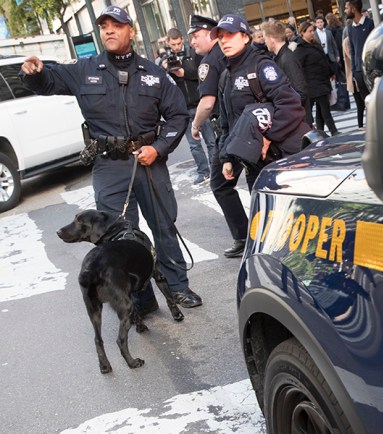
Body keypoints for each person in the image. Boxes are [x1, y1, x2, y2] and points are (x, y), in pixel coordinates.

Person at [20, 5, 202, 312]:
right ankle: (140, 299)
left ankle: (178, 287)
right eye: (104, 26)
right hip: (109, 165)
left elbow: (177, 116)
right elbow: (48, 81)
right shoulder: (85, 70)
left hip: (149, 162)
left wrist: (157, 148)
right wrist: (34, 75)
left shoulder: (154, 74)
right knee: (119, 235)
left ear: (131, 31)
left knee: (163, 226)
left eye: (116, 25)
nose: (109, 30)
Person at [211, 14, 309, 206]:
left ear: (245, 37)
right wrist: (226, 158)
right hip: (253, 164)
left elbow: (291, 106)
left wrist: (267, 137)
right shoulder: (224, 76)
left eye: (229, 34)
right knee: (265, 217)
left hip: (279, 158)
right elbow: (227, 124)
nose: (224, 40)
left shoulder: (262, 66)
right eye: (220, 36)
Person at [188, 14, 251, 258]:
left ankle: (244, 236)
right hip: (244, 126)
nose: (193, 42)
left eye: (196, 36)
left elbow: (207, 102)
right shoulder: (230, 55)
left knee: (221, 184)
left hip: (229, 129)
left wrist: (195, 126)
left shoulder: (208, 62)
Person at [162, 27, 214, 184]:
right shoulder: (164, 59)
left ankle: (216, 169)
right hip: (182, 109)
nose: (177, 47)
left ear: (182, 40)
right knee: (194, 145)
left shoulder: (193, 53)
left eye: (178, 44)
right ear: (168, 43)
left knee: (211, 141)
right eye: (173, 45)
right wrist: (165, 69)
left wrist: (184, 73)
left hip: (200, 105)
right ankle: (204, 172)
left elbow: (202, 74)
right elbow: (162, 84)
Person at [295, 20, 339, 136]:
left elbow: (323, 59)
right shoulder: (300, 50)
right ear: (302, 33)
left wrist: (331, 72)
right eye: (309, 31)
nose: (312, 33)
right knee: (324, 108)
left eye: (312, 30)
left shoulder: (314, 44)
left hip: (322, 81)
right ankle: (333, 131)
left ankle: (320, 131)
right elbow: (297, 68)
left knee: (321, 110)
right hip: (313, 84)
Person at [262, 20, 308, 112]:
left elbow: (301, 92)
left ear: (271, 39)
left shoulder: (287, 58)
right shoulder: (281, 57)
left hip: (297, 118)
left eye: (265, 38)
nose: (264, 42)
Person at [345, 0, 374, 128]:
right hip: (358, 72)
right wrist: (353, 72)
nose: (345, 10)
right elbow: (351, 49)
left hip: (370, 70)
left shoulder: (369, 24)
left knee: (374, 99)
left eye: (347, 8)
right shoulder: (349, 28)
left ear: (353, 8)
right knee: (365, 102)